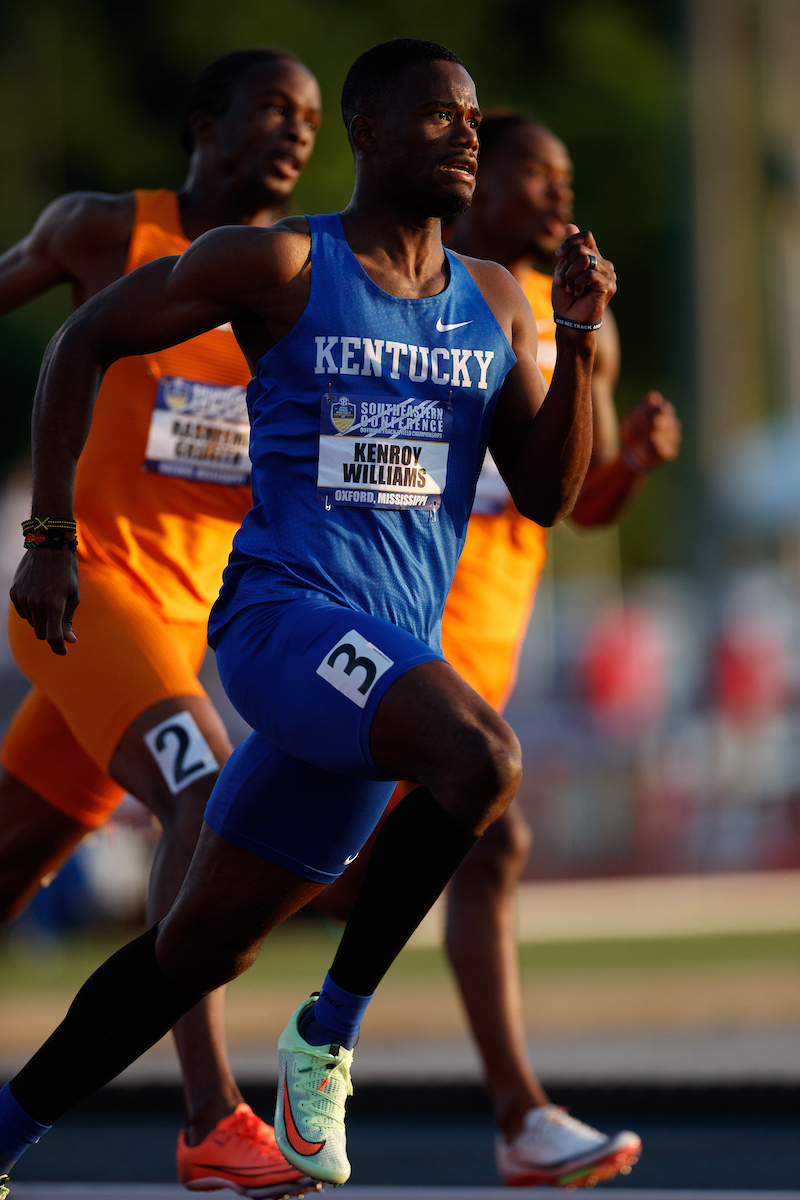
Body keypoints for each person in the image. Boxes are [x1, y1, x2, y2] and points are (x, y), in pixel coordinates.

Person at [0, 38, 617, 1196]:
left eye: (472, 120)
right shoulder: (278, 261)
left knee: (193, 950)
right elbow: (82, 340)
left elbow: (545, 494)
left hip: (380, 659)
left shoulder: (492, 300)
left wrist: (576, 341)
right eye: (437, 117)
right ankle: (325, 1038)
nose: (466, 136)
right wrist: (47, 537)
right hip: (283, 622)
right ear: (368, 134)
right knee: (481, 759)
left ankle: (3, 1129)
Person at [316, 110, 681, 1187]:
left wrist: (633, 466)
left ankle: (195, 1019)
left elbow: (577, 501)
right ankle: (517, 1116)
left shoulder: (579, 320)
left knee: (295, 865)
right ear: (478, 180)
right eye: (538, 174)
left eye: (568, 177)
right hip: (395, 614)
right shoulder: (419, 293)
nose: (560, 194)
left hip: (490, 638)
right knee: (488, 842)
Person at [0, 47, 324, 1197]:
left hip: (170, 637)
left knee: (11, 861)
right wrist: (46, 536)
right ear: (205, 124)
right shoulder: (104, 232)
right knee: (205, 791)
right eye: (271, 110)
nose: (295, 133)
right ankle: (209, 1117)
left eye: (310, 120)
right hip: (76, 594)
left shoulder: (290, 282)